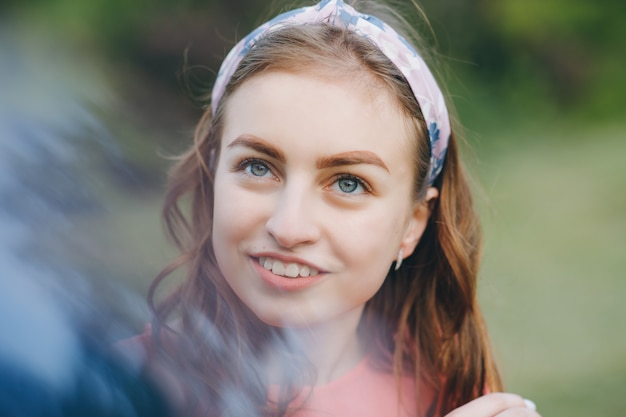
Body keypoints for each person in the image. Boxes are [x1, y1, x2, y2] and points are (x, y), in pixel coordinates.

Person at [122, 1, 540, 416]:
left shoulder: (449, 394)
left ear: (412, 225)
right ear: (214, 180)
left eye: (348, 183)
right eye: (257, 166)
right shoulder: (117, 387)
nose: (289, 227)